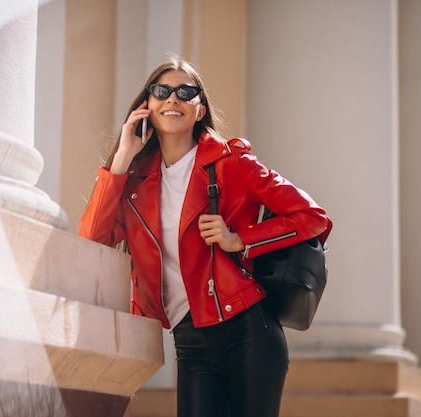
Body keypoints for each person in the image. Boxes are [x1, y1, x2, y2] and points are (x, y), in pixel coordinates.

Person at [79, 55, 332, 417]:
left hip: (248, 331)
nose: (173, 99)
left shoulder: (233, 163)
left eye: (186, 92)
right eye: (161, 91)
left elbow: (313, 218)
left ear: (199, 110)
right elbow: (92, 241)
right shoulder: (134, 184)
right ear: (146, 107)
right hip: (190, 340)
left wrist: (239, 239)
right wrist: (121, 160)